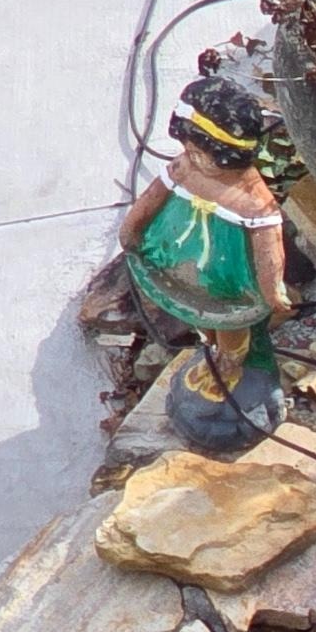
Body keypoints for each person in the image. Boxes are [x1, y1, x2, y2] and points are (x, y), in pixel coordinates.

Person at [118, 74, 293, 448]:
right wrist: (131, 230)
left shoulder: (252, 200)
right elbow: (152, 197)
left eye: (203, 154)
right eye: (190, 148)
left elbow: (268, 246)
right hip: (178, 262)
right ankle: (212, 350)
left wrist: (272, 289)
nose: (193, 157)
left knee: (232, 331)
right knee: (203, 324)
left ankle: (231, 366)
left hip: (226, 281)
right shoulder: (185, 168)